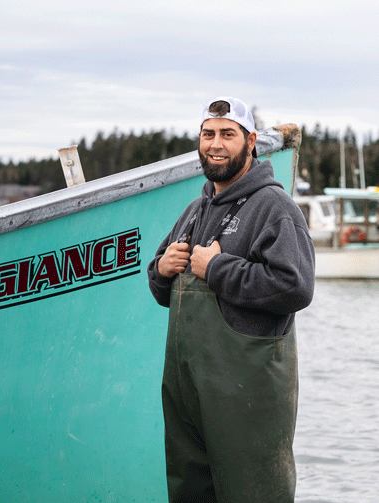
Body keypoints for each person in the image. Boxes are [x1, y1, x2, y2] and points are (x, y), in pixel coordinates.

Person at [147, 97, 315, 502]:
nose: (215, 144)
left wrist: (217, 268)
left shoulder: (275, 209)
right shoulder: (194, 210)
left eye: (227, 134)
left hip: (248, 403)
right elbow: (162, 291)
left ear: (251, 141)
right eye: (208, 134)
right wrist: (161, 270)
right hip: (189, 396)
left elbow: (295, 286)